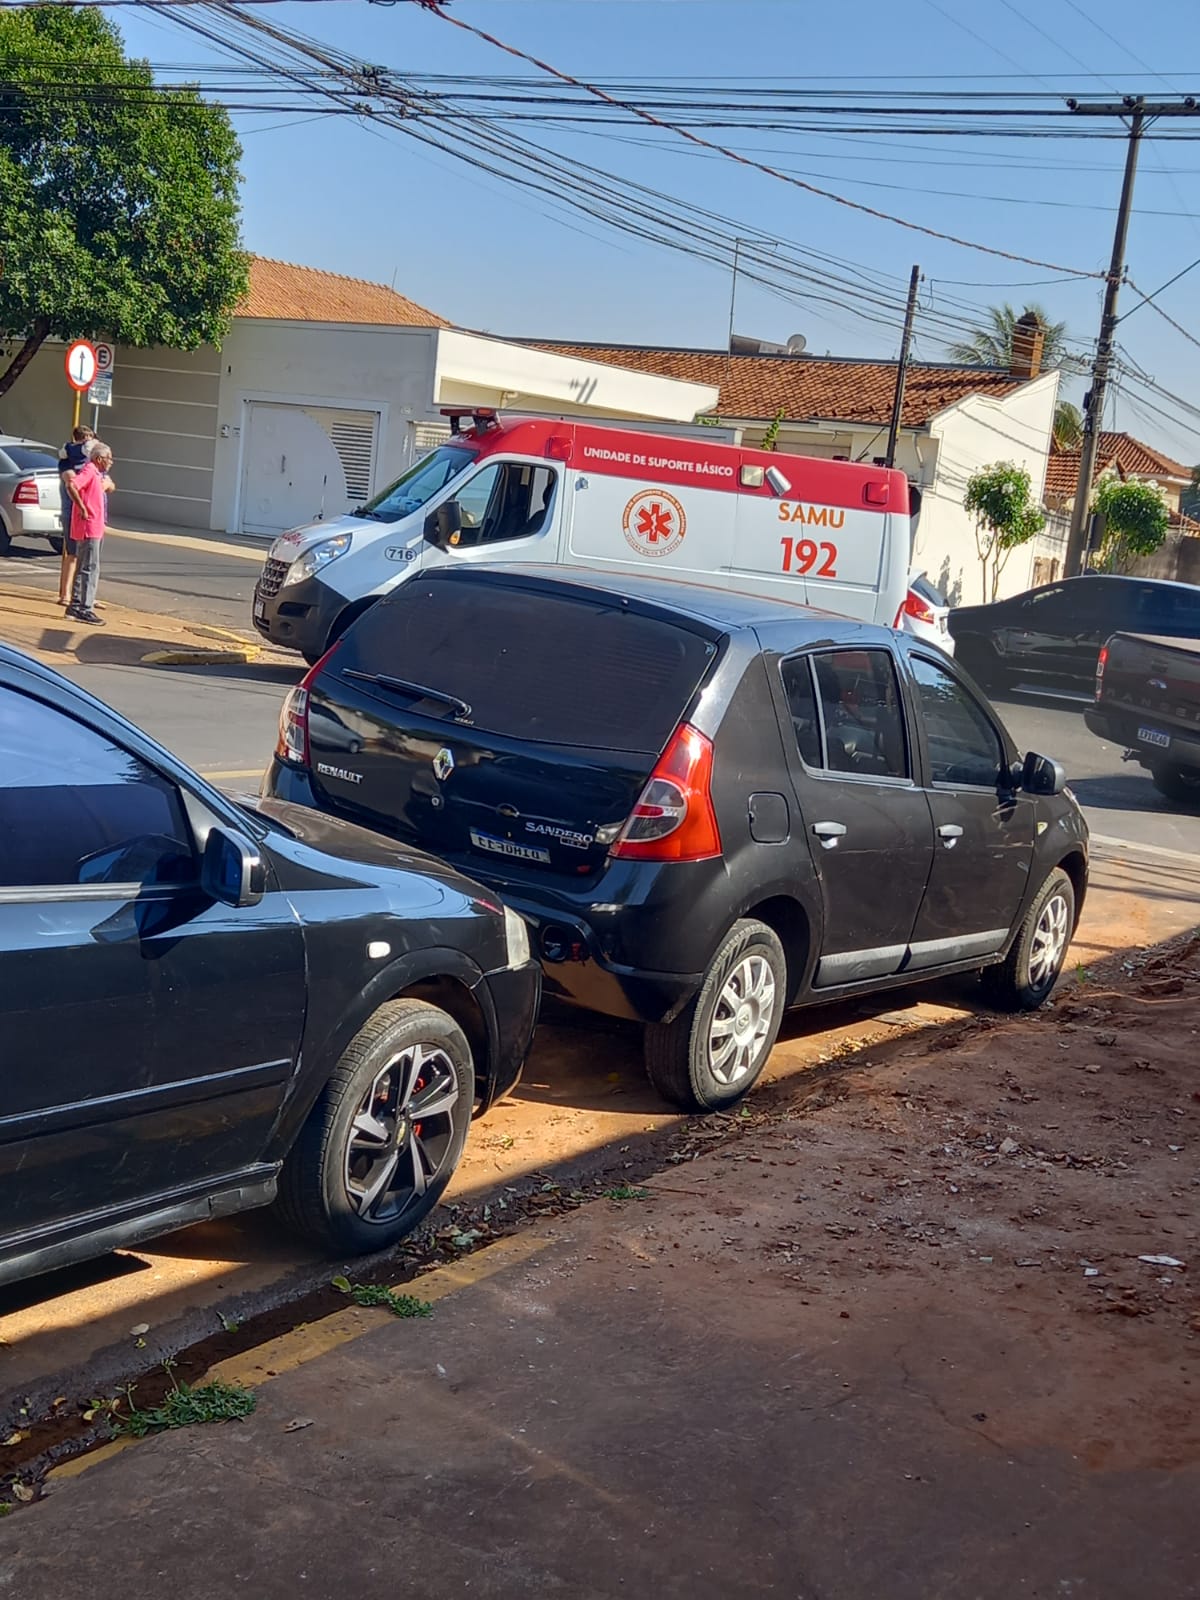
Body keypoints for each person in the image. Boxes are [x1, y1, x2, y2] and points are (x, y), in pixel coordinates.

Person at [65, 443, 114, 625]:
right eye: (109, 459)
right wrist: (82, 507)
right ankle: (85, 608)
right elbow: (72, 485)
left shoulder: (96, 473)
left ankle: (76, 605)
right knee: (90, 568)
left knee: (84, 566)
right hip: (89, 526)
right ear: (99, 459)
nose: (111, 462)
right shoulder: (89, 471)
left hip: (94, 525)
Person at [57, 425, 95, 606]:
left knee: (83, 557)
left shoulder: (89, 466)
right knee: (73, 554)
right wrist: (82, 507)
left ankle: (81, 595)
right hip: (72, 513)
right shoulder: (67, 467)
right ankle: (66, 594)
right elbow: (71, 485)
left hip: (85, 515)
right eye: (87, 438)